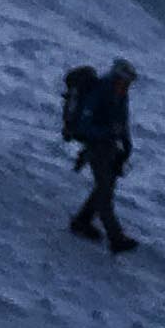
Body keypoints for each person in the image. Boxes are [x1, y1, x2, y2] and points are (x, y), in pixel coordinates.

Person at [60, 59, 138, 253]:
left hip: (109, 146)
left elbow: (122, 122)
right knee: (105, 192)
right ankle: (116, 238)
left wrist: (126, 146)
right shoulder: (101, 91)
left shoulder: (120, 95)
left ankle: (82, 221)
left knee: (106, 186)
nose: (126, 86)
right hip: (96, 147)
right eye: (124, 81)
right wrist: (108, 133)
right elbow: (85, 126)